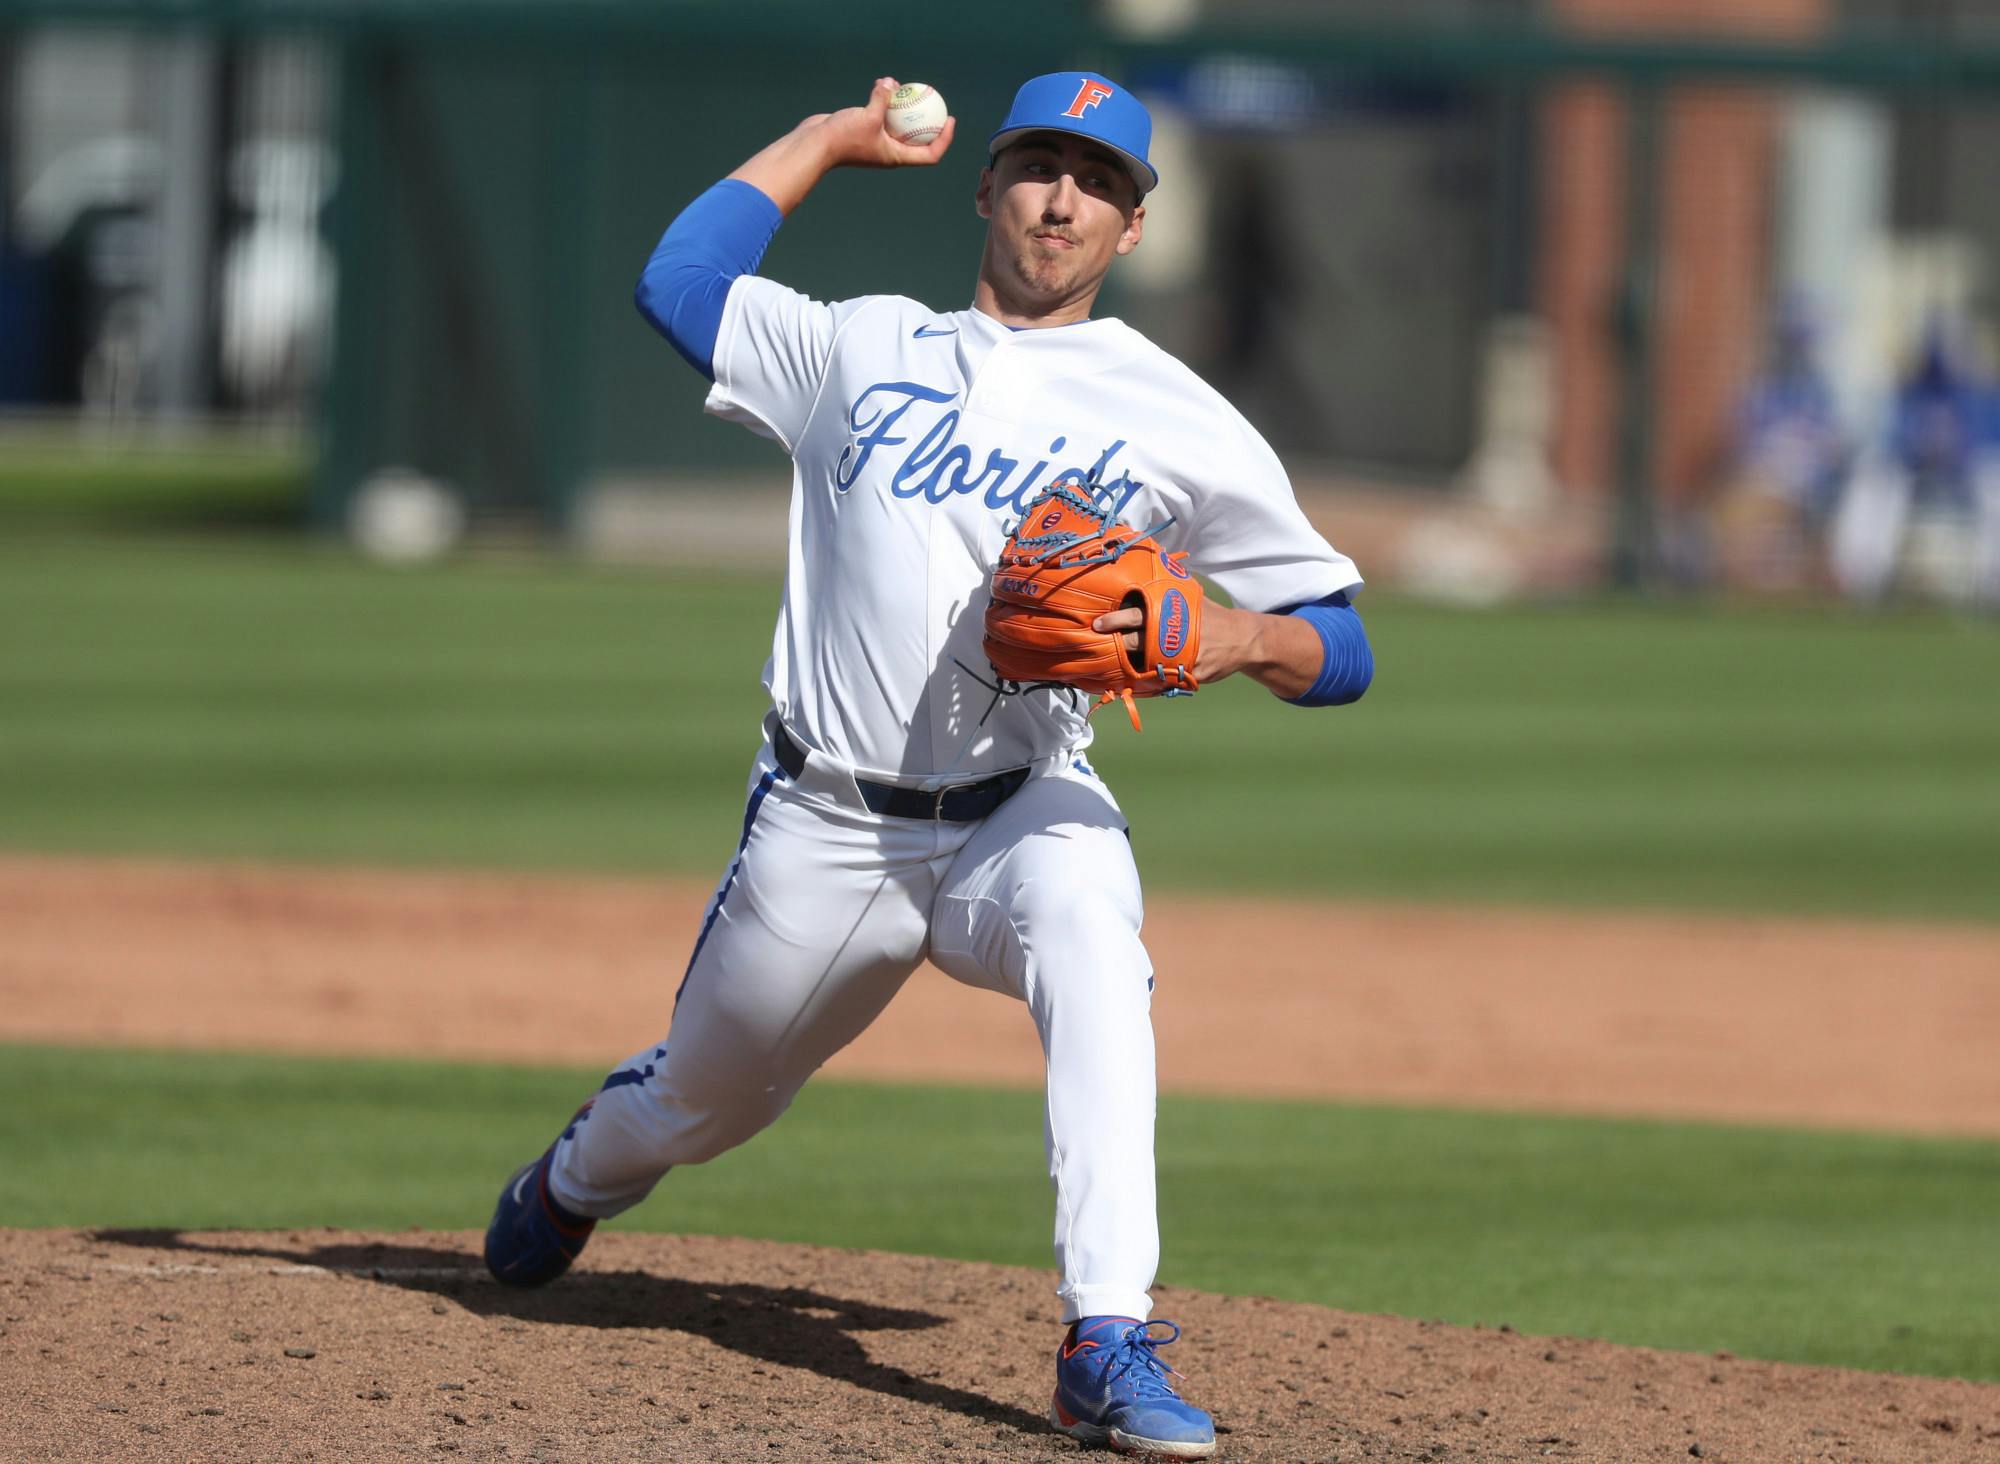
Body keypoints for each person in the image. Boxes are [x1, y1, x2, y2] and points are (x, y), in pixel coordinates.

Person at [483, 72, 1374, 1458]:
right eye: (1037, 169)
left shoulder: (1175, 411)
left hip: (1025, 810)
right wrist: (832, 140)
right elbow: (679, 279)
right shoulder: (857, 345)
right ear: (986, 186)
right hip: (825, 827)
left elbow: (1346, 646)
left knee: (1096, 943)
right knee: (699, 1105)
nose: (1061, 200)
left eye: (1100, 184)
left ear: (1134, 226)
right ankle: (576, 1180)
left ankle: (1107, 1336)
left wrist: (1243, 636)